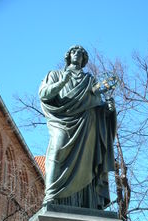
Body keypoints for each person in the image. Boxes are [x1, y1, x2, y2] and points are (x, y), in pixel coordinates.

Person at [39, 45, 116, 209]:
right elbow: (44, 94)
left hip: (87, 124)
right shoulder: (55, 74)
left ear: (84, 59)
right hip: (61, 121)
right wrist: (62, 83)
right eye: (74, 51)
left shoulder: (90, 80)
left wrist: (108, 110)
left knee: (88, 161)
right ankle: (51, 195)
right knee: (57, 150)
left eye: (81, 53)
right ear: (68, 56)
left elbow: (96, 104)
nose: (77, 54)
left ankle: (87, 202)